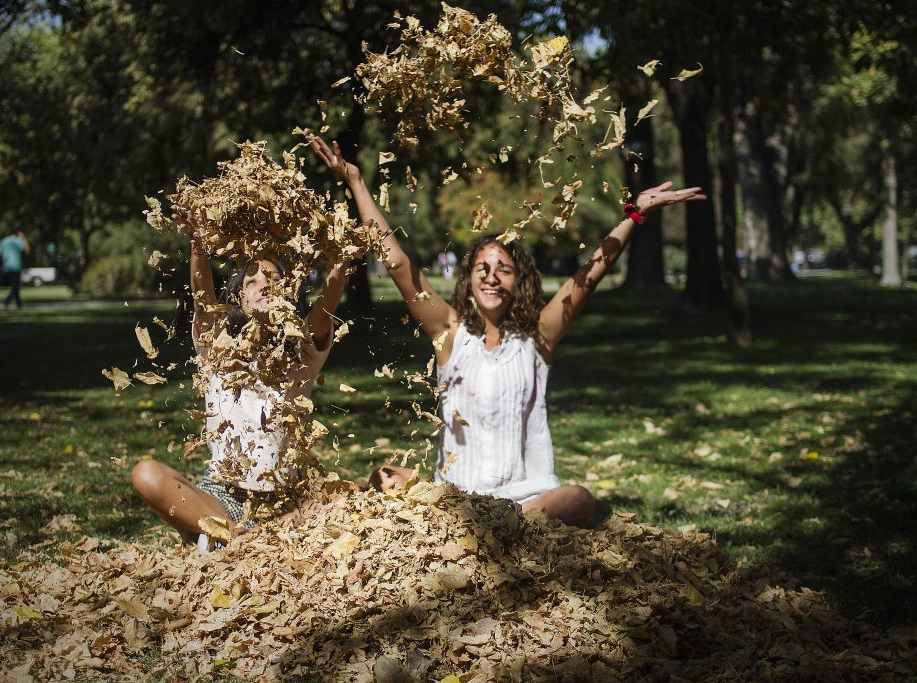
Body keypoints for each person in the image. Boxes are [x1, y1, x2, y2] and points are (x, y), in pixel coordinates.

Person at [311, 135, 705, 527]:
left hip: (525, 502)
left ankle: (497, 525)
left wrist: (633, 217)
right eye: (483, 268)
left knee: (578, 500)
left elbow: (587, 278)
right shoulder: (450, 333)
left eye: (503, 269)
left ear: (519, 280)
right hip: (457, 498)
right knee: (386, 477)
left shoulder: (538, 338)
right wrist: (357, 183)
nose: (492, 278)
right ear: (469, 279)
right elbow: (397, 264)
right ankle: (482, 526)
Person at [131, 212, 347, 544]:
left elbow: (327, 306)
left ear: (287, 293)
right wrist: (199, 246)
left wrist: (340, 258)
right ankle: (230, 533)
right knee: (146, 474)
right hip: (224, 496)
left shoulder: (302, 353)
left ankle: (235, 538)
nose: (264, 287)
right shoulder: (216, 349)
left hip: (289, 500)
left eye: (273, 280)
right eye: (252, 282)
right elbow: (202, 295)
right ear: (239, 298)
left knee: (357, 495)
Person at [0, 227, 30, 309]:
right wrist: (24, 238)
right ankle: (5, 302)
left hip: (6, 266)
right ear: (18, 232)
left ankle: (19, 304)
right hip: (15, 266)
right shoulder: (17, 240)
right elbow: (27, 250)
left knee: (16, 286)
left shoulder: (3, 240)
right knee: (15, 287)